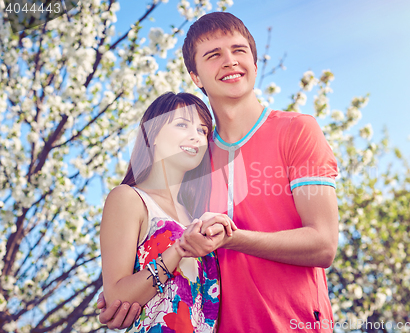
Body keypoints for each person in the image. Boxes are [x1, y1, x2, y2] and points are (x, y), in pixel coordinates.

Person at [99, 12, 339, 332]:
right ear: (196, 76)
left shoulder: (298, 131)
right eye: (213, 55)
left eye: (239, 50)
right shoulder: (192, 162)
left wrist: (233, 240)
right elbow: (158, 239)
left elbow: (323, 245)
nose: (229, 61)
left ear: (254, 63)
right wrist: (120, 299)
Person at [99, 92, 235, 332]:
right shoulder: (129, 198)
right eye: (182, 124)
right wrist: (179, 249)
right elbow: (117, 297)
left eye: (203, 130)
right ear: (152, 135)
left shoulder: (197, 215)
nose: (196, 136)